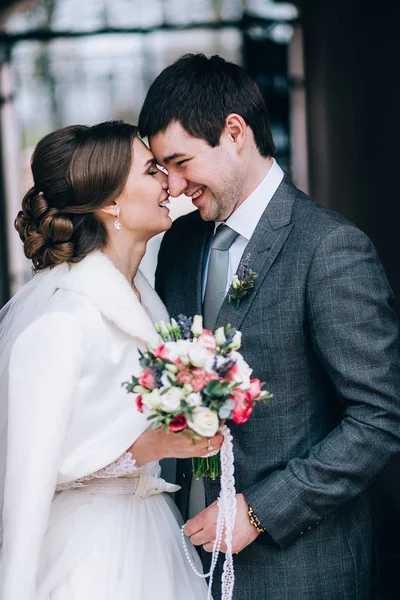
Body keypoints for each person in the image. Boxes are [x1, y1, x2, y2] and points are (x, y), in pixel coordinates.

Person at [138, 54, 400, 600]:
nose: (178, 186)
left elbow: (379, 418)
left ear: (234, 132)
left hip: (300, 570)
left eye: (183, 161)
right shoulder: (180, 246)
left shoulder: (329, 248)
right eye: (165, 169)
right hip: (183, 563)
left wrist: (258, 513)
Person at [0, 121, 223, 600]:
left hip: (152, 534)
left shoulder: (148, 303)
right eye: (151, 169)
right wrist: (151, 446)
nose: (168, 178)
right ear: (111, 204)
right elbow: (29, 481)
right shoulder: (62, 320)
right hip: (89, 555)